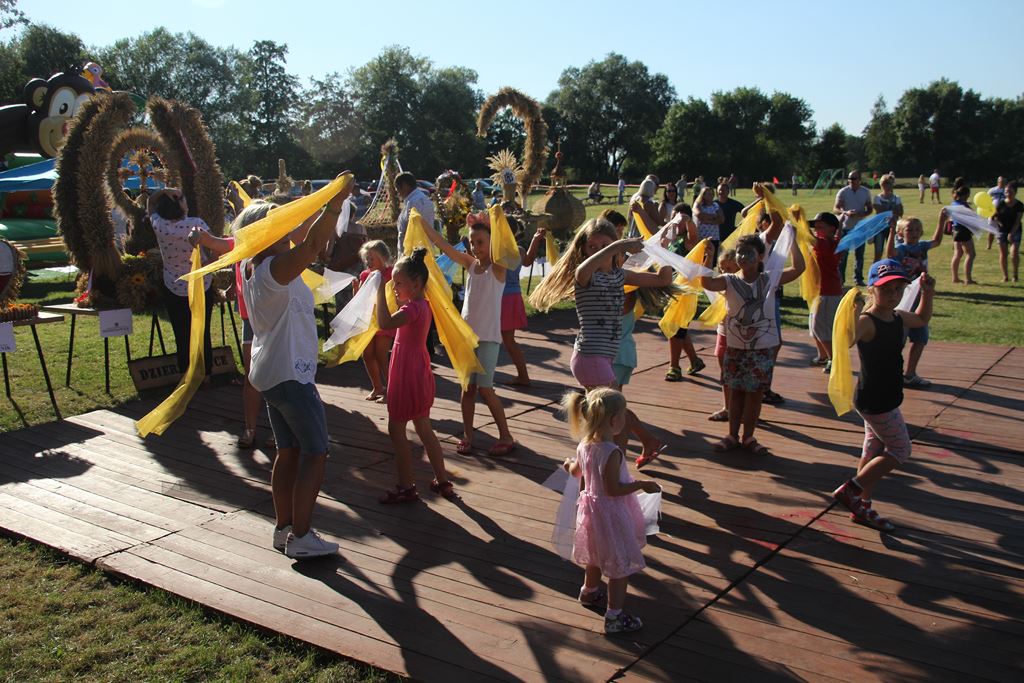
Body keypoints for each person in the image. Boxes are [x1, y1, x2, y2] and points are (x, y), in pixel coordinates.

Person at [239, 177, 352, 558]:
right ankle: (301, 536)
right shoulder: (274, 269)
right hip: (289, 374)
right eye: (279, 224)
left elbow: (303, 233)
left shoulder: (260, 269)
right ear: (265, 234)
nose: (287, 228)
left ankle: (284, 527)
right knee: (315, 451)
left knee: (288, 450)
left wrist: (321, 202)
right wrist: (334, 205)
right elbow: (311, 245)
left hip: (271, 372)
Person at [530, 219, 671, 466]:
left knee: (606, 417)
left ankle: (598, 463)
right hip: (590, 358)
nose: (598, 250)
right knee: (615, 410)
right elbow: (583, 270)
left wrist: (664, 251)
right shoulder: (586, 277)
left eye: (604, 244)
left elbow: (662, 280)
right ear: (584, 250)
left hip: (601, 357)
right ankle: (638, 446)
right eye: (592, 246)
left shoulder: (619, 276)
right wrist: (616, 246)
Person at [832, 260, 935, 532]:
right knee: (901, 449)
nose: (893, 294)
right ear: (871, 290)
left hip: (883, 397)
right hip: (876, 400)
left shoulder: (898, 317)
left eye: (899, 289)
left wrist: (927, 293)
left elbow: (922, 319)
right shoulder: (868, 321)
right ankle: (851, 490)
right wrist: (854, 312)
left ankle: (862, 504)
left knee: (874, 449)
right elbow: (849, 339)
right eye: (886, 289)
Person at [560, 387, 660, 634]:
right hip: (611, 513)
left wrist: (568, 466)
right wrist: (641, 484)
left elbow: (577, 472)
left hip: (589, 510)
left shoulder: (584, 445)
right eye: (624, 416)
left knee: (594, 553)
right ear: (614, 419)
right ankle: (614, 617)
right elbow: (613, 489)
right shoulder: (611, 451)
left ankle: (589, 592)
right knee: (619, 565)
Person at [701, 232, 805, 456]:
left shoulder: (769, 279)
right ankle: (732, 435)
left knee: (755, 395)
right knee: (736, 392)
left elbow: (798, 269)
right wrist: (708, 257)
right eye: (740, 252)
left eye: (749, 253)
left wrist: (793, 241)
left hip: (762, 349)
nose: (743, 256)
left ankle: (748, 437)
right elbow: (707, 282)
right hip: (736, 347)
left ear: (760, 257)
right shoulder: (729, 280)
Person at [422, 215, 516, 456]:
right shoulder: (471, 265)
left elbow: (505, 244)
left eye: (481, 242)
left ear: (492, 243)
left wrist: (494, 219)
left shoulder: (498, 268)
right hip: (468, 338)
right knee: (467, 390)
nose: (475, 247)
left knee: (485, 389)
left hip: (488, 338)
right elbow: (444, 246)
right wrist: (423, 225)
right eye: (473, 243)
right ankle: (468, 435)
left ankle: (505, 435)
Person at [374, 248, 456, 503]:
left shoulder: (412, 310)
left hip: (406, 373)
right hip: (418, 370)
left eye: (399, 283)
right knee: (423, 425)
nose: (394, 287)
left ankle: (406, 485)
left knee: (396, 427)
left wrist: (378, 291)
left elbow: (385, 324)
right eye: (392, 283)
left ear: (417, 283)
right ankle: (442, 480)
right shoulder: (422, 306)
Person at [148, 189, 228, 379]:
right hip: (201, 283)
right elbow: (216, 246)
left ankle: (186, 374)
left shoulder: (160, 226)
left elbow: (150, 203)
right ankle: (206, 374)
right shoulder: (196, 224)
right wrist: (210, 263)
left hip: (173, 285)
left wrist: (165, 191)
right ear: (180, 204)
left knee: (181, 332)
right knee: (202, 331)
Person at [885, 214, 944, 388]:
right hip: (904, 300)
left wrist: (941, 221)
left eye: (917, 229)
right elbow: (890, 253)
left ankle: (910, 374)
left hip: (920, 299)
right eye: (909, 230)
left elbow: (937, 241)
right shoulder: (901, 248)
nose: (914, 233)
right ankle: (891, 372)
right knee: (898, 340)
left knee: (920, 338)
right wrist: (890, 231)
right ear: (901, 233)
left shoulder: (923, 246)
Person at [500, 219, 543, 387]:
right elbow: (528, 261)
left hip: (503, 298)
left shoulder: (497, 250)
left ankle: (523, 376)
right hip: (513, 296)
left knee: (507, 341)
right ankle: (522, 375)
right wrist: (535, 240)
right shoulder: (518, 250)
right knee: (508, 340)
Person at [353, 240, 395, 402]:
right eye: (367, 259)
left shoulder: (391, 274)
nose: (369, 262)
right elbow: (359, 301)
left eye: (373, 259)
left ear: (383, 258)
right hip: (368, 321)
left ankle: (391, 389)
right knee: (367, 354)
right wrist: (356, 290)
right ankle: (377, 386)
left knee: (381, 355)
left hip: (383, 320)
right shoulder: (365, 275)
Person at [809, 212, 843, 374]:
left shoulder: (830, 244)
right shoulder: (826, 242)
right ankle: (822, 355)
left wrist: (798, 222)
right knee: (814, 326)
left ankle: (833, 358)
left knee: (821, 327)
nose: (816, 229)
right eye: (815, 227)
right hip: (818, 291)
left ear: (832, 229)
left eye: (821, 227)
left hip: (828, 293)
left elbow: (810, 239)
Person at [708, 249, 739, 422]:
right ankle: (727, 407)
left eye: (729, 268)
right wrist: (709, 257)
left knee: (739, 374)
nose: (725, 272)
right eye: (722, 268)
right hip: (723, 332)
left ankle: (740, 408)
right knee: (725, 373)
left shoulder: (742, 284)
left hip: (739, 336)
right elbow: (706, 280)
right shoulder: (721, 283)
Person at [834, 170, 874, 286]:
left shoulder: (865, 192)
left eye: (854, 179)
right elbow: (836, 208)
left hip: (860, 227)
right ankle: (841, 279)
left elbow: (870, 209)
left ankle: (858, 278)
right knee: (843, 256)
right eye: (850, 179)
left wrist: (862, 214)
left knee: (859, 255)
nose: (852, 181)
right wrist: (845, 212)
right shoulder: (843, 192)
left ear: (859, 180)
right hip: (845, 227)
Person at [948, 181, 978, 285]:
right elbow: (972, 218)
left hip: (955, 230)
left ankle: (955, 277)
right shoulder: (964, 206)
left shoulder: (954, 203)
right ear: (967, 195)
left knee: (957, 254)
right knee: (970, 254)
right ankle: (968, 279)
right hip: (964, 231)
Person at [395, 171, 434, 251]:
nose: (397, 192)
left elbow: (410, 231)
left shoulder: (413, 202)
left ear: (405, 186)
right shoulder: (422, 199)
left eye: (398, 188)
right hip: (422, 250)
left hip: (414, 253)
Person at [993, 181, 1022, 282]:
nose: (1008, 193)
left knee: (1014, 254)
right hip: (1001, 231)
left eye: (1010, 191)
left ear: (1015, 192)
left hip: (1015, 231)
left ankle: (1015, 275)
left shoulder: (1019, 205)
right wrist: (996, 220)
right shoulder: (1001, 204)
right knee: (1003, 254)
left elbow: (1018, 221)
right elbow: (995, 216)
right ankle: (1005, 276)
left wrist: (1011, 233)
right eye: (1006, 191)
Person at [871, 173, 903, 264]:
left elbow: (900, 212)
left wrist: (890, 211)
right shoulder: (877, 198)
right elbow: (880, 211)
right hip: (880, 228)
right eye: (885, 184)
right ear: (881, 185)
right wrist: (893, 210)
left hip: (893, 228)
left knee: (892, 252)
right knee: (878, 252)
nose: (887, 186)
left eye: (889, 183)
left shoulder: (897, 198)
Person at [694, 186, 724, 264]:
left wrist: (708, 220)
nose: (710, 196)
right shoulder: (698, 204)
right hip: (701, 237)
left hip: (714, 237)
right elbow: (700, 215)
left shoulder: (715, 205)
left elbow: (721, 219)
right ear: (703, 195)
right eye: (707, 194)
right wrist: (714, 217)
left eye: (711, 194)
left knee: (712, 261)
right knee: (701, 260)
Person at [987, 176, 1008, 250]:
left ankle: (1002, 245)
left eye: (1003, 182)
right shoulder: (992, 190)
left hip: (1003, 213)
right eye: (1000, 181)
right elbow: (987, 200)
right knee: (991, 230)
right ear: (997, 182)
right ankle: (989, 245)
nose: (1001, 183)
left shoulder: (1007, 190)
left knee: (1003, 230)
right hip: (992, 213)